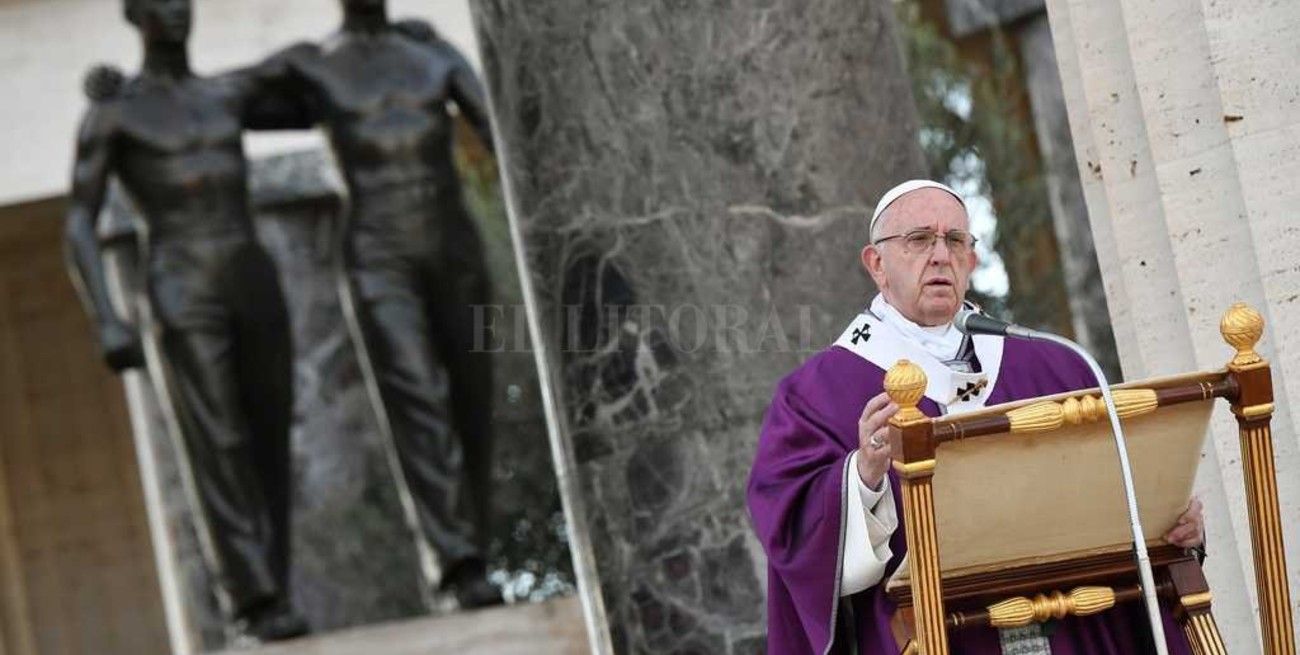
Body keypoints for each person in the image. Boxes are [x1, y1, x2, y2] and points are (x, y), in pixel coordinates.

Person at [745, 180, 1205, 654]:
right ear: (876, 264)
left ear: (972, 260)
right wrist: (862, 477)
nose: (941, 255)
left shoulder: (1056, 364)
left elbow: (1120, 491)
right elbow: (790, 526)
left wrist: (1169, 521)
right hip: (931, 634)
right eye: (919, 239)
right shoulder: (818, 392)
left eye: (956, 240)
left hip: (1077, 624)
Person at [65, 0, 309, 642]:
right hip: (179, 275)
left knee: (268, 434)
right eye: (160, 2)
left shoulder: (227, 93)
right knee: (217, 442)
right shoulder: (114, 110)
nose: (175, 13)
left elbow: (328, 96)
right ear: (134, 15)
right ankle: (253, 598)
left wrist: (396, 34)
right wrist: (106, 319)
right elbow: (77, 223)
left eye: (183, 1)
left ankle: (275, 585)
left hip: (249, 267)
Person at [258, 0, 501, 607]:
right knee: (416, 395)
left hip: (452, 243)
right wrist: (130, 94)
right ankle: (456, 563)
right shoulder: (315, 68)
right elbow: (211, 107)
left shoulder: (428, 52)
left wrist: (448, 53)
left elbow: (497, 129)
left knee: (474, 398)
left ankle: (477, 544)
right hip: (377, 254)